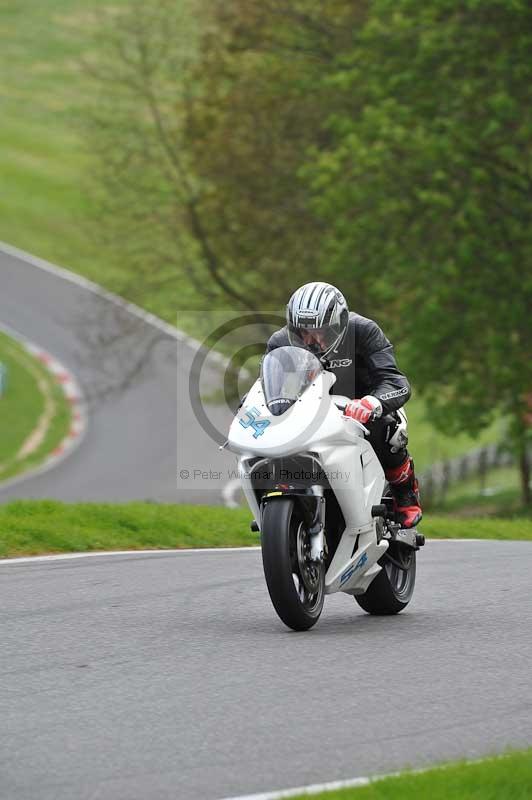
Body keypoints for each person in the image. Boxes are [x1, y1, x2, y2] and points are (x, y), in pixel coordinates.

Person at [265, 281, 422, 528]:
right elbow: (268, 387)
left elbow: (395, 381)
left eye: (320, 331)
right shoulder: (279, 342)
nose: (310, 339)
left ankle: (405, 493)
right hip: (311, 408)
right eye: (302, 331)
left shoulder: (364, 330)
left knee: (387, 430)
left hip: (363, 404)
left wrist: (371, 403)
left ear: (339, 323)